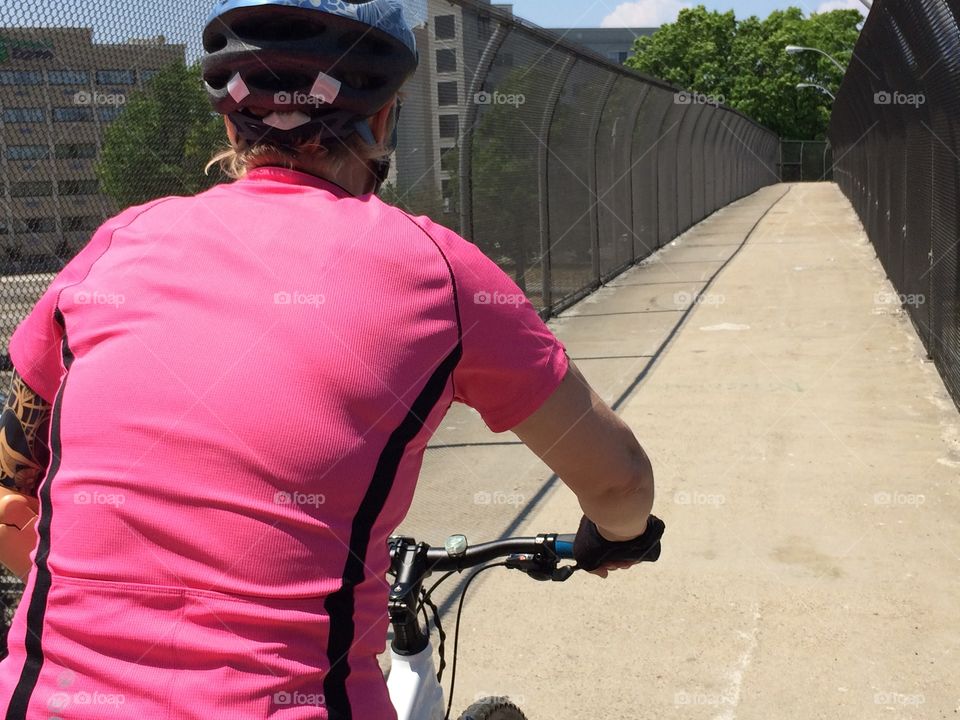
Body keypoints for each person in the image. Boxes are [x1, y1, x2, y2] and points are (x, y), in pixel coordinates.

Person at [0, 0, 664, 717]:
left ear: (230, 124)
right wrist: (614, 539)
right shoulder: (439, 269)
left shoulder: (118, 243)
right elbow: (620, 480)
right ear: (383, 122)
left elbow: (12, 496)